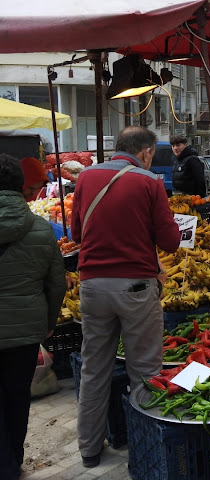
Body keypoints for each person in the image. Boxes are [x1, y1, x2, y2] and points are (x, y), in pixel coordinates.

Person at [70, 126, 180, 469]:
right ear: (146, 153)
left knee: (94, 369)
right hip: (134, 287)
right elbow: (171, 242)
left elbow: (75, 233)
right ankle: (144, 450)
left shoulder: (85, 178)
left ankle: (89, 450)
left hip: (91, 287)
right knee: (145, 370)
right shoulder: (149, 183)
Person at [0, 154, 66, 480]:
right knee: (17, 397)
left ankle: (6, 466)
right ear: (20, 187)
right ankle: (13, 460)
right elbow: (56, 284)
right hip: (25, 333)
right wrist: (50, 322)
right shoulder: (41, 230)